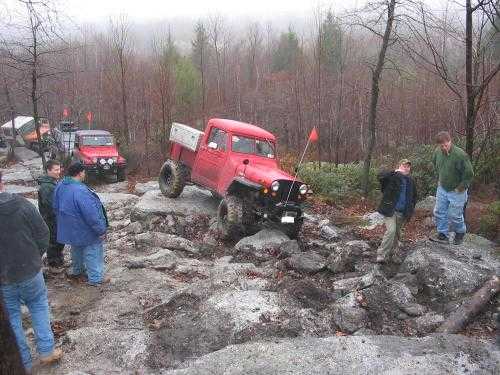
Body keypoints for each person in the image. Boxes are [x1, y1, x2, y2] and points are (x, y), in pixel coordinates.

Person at [0, 171, 62, 370]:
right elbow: (43, 233)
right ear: (1, 182)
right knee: (39, 307)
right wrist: (37, 255)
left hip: (4, 278)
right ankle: (47, 351)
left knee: (12, 320)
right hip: (30, 269)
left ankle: (23, 362)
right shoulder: (22, 204)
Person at [53, 162, 109, 286]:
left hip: (70, 228)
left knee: (76, 249)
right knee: (93, 251)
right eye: (84, 172)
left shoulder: (60, 185)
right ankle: (95, 278)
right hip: (85, 229)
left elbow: (55, 207)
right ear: (80, 173)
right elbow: (91, 214)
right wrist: (101, 230)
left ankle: (78, 272)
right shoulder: (80, 191)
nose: (85, 174)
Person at [430, 131, 474, 245]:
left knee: (454, 215)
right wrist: (440, 179)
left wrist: (460, 188)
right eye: (442, 145)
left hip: (457, 190)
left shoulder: (460, 155)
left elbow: (469, 174)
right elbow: (435, 164)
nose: (444, 147)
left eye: (446, 144)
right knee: (439, 211)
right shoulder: (437, 152)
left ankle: (460, 233)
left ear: (450, 141)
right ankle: (442, 234)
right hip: (442, 188)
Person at [376, 159, 417, 263]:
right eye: (404, 166)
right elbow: (380, 176)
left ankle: (393, 254)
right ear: (399, 166)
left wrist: (410, 209)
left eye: (408, 166)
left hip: (402, 213)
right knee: (391, 231)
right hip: (390, 210)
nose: (406, 168)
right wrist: (394, 171)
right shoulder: (392, 177)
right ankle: (381, 254)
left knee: (397, 234)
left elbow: (414, 197)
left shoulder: (411, 181)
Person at [37, 159, 64, 270]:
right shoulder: (46, 187)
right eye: (55, 170)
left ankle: (58, 259)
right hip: (51, 219)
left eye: (59, 169)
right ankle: (54, 263)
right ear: (48, 170)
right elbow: (50, 206)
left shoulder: (53, 182)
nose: (58, 172)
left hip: (56, 217)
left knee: (58, 239)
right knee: (54, 240)